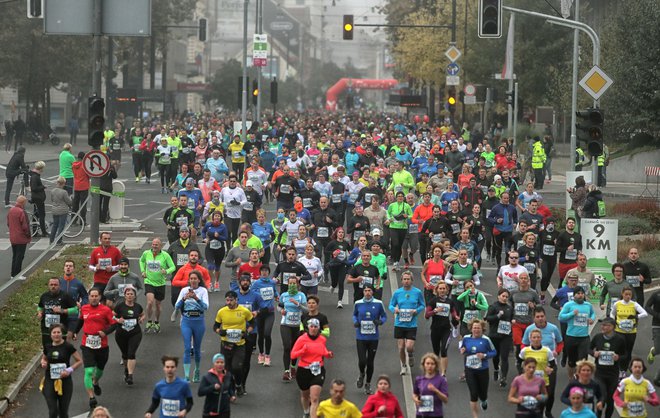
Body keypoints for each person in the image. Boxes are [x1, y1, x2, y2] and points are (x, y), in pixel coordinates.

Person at [74, 288, 116, 413]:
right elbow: (81, 320)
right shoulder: (84, 308)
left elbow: (114, 324)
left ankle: (95, 382)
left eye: (96, 296)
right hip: (87, 344)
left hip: (102, 345)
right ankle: (92, 397)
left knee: (99, 370)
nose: (93, 298)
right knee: (88, 371)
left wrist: (105, 332)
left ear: (99, 297)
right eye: (91, 296)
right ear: (89, 297)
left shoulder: (106, 310)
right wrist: (75, 332)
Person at [213, 290, 255, 395]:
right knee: (226, 370)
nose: (229, 302)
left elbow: (252, 324)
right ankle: (231, 389)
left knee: (237, 367)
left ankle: (238, 384)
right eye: (227, 300)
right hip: (226, 344)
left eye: (231, 300)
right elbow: (215, 326)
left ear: (236, 300)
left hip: (239, 344)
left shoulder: (244, 311)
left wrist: (247, 332)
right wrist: (220, 331)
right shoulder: (221, 312)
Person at [291, 318, 334, 418]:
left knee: (314, 398)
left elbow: (323, 351)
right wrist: (302, 351)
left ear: (319, 328)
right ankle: (306, 412)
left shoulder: (322, 339)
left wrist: (328, 354)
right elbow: (293, 355)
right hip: (303, 370)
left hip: (318, 370)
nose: (313, 329)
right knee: (305, 396)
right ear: (308, 328)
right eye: (311, 326)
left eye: (315, 327)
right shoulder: (302, 339)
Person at [40, 324, 82, 418]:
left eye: (58, 332)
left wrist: (69, 370)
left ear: (62, 334)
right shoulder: (48, 347)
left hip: (65, 382)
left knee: (63, 412)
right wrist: (43, 363)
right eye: (54, 332)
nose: (56, 334)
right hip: (50, 380)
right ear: (50, 335)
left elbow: (79, 361)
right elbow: (44, 359)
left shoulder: (68, 346)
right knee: (53, 411)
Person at [389, 270, 426, 376]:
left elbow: (422, 305)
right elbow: (391, 305)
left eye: (408, 279)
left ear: (412, 280)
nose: (406, 281)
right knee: (401, 347)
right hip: (399, 323)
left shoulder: (417, 292)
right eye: (404, 279)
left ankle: (410, 354)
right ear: (401, 280)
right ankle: (404, 366)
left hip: (411, 324)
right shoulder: (397, 293)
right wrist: (394, 310)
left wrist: (416, 311)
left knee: (409, 346)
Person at [353, 285, 388, 395]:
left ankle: (368, 384)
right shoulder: (358, 303)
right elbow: (354, 314)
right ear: (363, 292)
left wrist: (380, 322)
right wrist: (355, 322)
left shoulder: (378, 303)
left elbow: (384, 316)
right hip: (361, 337)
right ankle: (362, 374)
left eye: (369, 291)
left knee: (370, 362)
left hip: (373, 337)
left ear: (372, 292)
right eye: (365, 291)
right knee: (362, 360)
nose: (367, 293)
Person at [460, 319, 497, 418]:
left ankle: (484, 400)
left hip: (482, 370)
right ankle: (475, 416)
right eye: (474, 328)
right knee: (473, 393)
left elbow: (494, 352)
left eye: (478, 328)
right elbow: (463, 347)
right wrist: (462, 350)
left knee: (483, 393)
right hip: (470, 370)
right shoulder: (466, 338)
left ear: (482, 329)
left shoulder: (486, 340)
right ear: (471, 329)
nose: (476, 330)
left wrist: (484, 355)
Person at [589, 317, 625, 418]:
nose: (603, 327)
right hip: (599, 373)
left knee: (610, 400)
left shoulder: (620, 339)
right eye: (602, 325)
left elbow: (625, 355)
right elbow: (589, 348)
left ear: (612, 327)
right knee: (602, 397)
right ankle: (598, 415)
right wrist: (593, 353)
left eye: (606, 325)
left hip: (613, 374)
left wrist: (618, 357)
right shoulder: (597, 337)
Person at [558, 286, 596, 379]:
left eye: (582, 293)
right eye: (578, 294)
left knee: (583, 361)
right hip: (571, 337)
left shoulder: (588, 305)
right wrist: (572, 314)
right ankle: (571, 378)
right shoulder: (569, 305)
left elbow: (593, 313)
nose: (580, 295)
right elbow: (561, 317)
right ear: (574, 295)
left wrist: (592, 319)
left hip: (584, 337)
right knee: (571, 362)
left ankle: (581, 379)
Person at [139, 238, 176, 333]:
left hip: (160, 283)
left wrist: (166, 271)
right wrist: (143, 271)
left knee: (158, 304)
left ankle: (156, 321)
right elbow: (141, 261)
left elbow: (173, 267)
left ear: (161, 246)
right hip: (149, 281)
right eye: (153, 244)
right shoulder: (146, 253)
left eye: (156, 245)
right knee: (150, 302)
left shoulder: (165, 255)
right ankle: (149, 321)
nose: (154, 246)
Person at [611, 287, 648, 377]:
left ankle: (625, 367)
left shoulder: (634, 304)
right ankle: (620, 369)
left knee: (628, 351)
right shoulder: (617, 304)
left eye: (629, 295)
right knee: (620, 350)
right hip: (619, 330)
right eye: (626, 294)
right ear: (622, 294)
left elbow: (645, 313)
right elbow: (612, 313)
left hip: (631, 332)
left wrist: (636, 316)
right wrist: (613, 321)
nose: (628, 296)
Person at [112, 285, 144, 385]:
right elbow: (111, 315)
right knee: (125, 354)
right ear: (125, 296)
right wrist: (117, 320)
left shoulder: (138, 306)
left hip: (135, 332)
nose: (130, 296)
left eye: (132, 294)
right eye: (128, 294)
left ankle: (130, 375)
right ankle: (126, 369)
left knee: (131, 353)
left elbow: (143, 314)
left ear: (134, 296)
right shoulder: (120, 306)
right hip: (121, 333)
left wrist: (142, 318)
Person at [38, 277, 78, 348]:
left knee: (61, 352)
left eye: (55, 285)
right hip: (46, 330)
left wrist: (62, 310)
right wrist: (40, 313)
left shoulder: (65, 296)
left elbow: (75, 310)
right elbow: (40, 307)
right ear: (48, 285)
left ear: (59, 285)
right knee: (48, 352)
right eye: (51, 284)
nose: (53, 286)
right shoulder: (44, 296)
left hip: (60, 331)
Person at [251, 265, 278, 367]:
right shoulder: (256, 283)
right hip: (260, 312)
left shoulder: (272, 282)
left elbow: (274, 292)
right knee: (261, 334)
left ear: (268, 272)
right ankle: (261, 354)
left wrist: (277, 297)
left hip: (270, 312)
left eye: (266, 271)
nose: (264, 273)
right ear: (260, 272)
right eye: (262, 271)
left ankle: (267, 355)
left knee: (267, 333)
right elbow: (252, 295)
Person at [198, 353, 236, 418]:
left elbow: (229, 387)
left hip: (225, 410)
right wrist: (212, 387)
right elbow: (200, 392)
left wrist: (232, 395)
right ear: (214, 364)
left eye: (222, 362)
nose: (220, 364)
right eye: (217, 362)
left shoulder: (228, 375)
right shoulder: (207, 377)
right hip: (210, 411)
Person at [413, 352, 449, 418]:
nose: (430, 366)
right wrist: (415, 399)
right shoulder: (419, 379)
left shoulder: (441, 380)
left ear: (436, 366)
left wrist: (436, 391)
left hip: (436, 414)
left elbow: (445, 399)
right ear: (423, 365)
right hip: (421, 414)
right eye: (427, 363)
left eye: (432, 364)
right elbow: (415, 393)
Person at [7, 195, 31, 278]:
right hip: (21, 237)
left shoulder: (11, 210)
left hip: (13, 237)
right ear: (23, 203)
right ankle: (17, 274)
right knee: (20, 256)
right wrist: (28, 234)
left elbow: (8, 223)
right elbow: (25, 226)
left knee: (15, 255)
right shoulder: (21, 212)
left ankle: (13, 274)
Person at [49, 177, 72, 245]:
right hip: (63, 210)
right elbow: (69, 202)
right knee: (61, 226)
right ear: (63, 184)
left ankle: (51, 240)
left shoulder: (52, 191)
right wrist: (71, 200)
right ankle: (59, 241)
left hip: (54, 210)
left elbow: (52, 199)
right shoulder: (64, 192)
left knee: (55, 225)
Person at [30, 160, 48, 237]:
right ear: (41, 168)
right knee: (42, 215)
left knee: (36, 214)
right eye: (43, 168)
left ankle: (35, 231)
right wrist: (42, 187)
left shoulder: (35, 175)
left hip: (37, 198)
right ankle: (44, 232)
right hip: (38, 198)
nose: (43, 169)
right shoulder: (35, 177)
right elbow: (34, 188)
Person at [71, 151, 90, 224]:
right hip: (84, 186)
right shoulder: (84, 166)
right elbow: (89, 175)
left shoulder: (74, 165)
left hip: (76, 186)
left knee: (75, 204)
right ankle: (82, 221)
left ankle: (73, 220)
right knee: (83, 205)